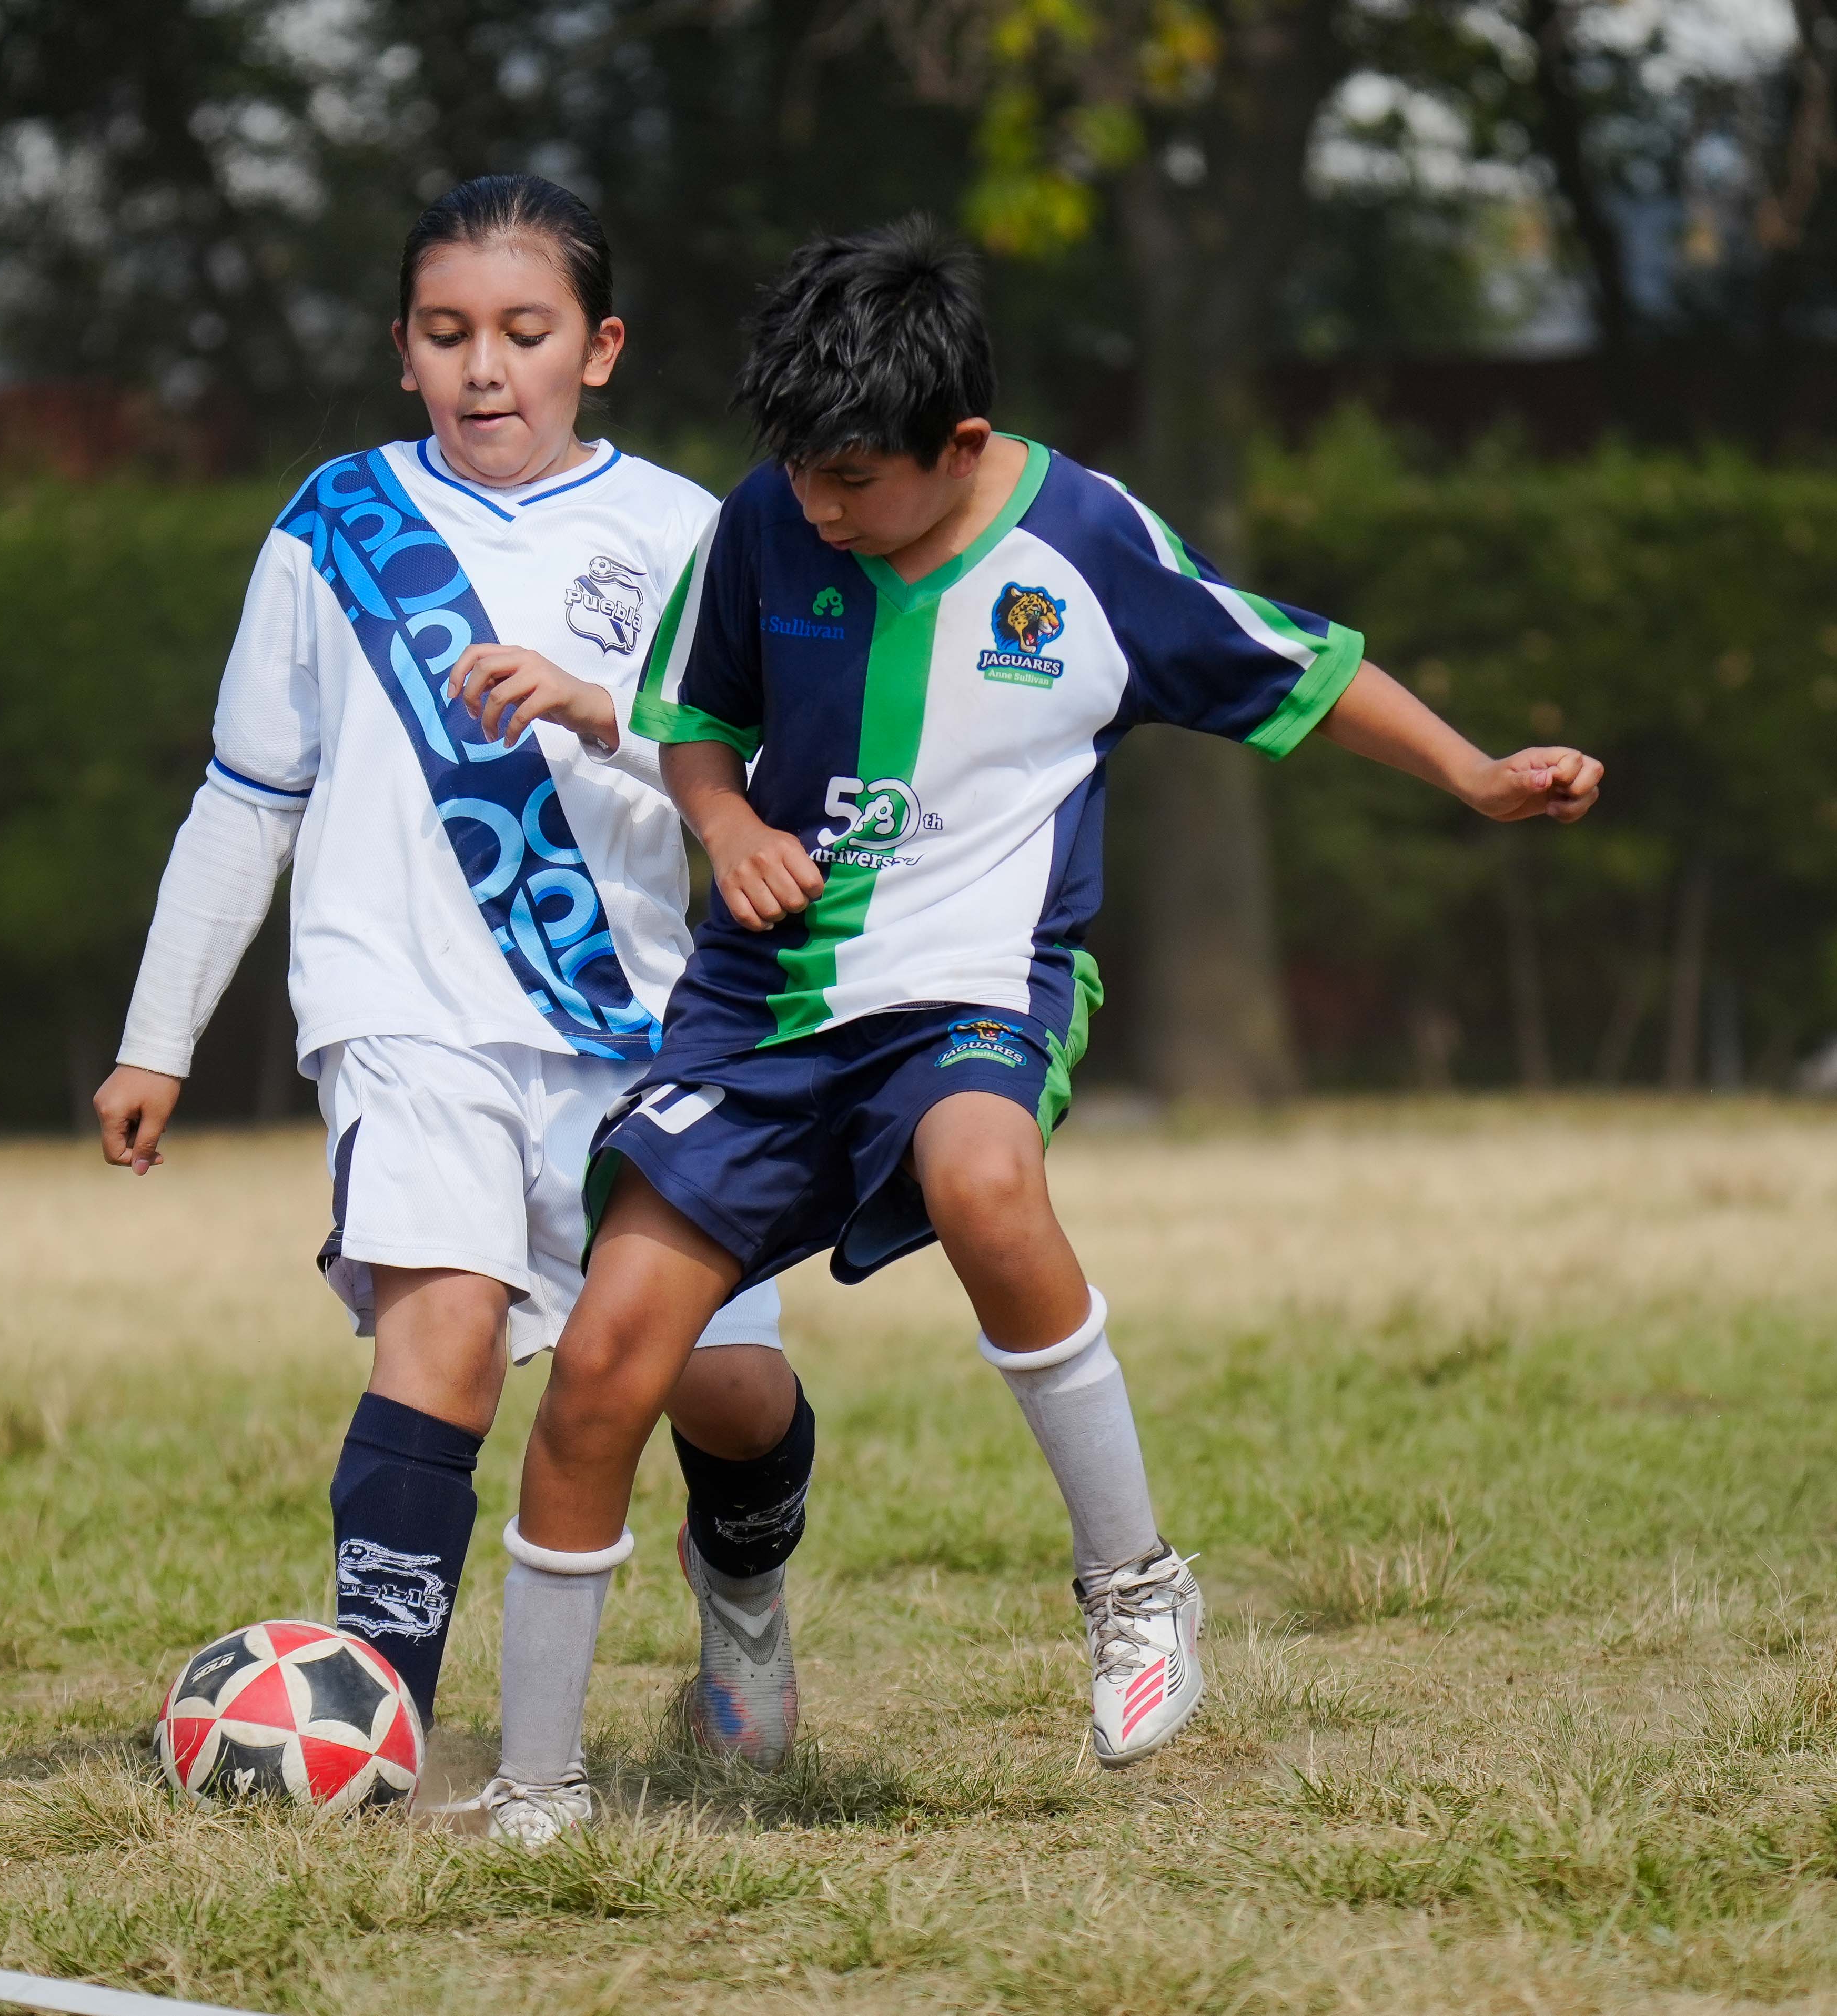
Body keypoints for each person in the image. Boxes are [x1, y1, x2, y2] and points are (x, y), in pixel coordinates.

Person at [476, 219, 1604, 1841]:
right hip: (762, 1006)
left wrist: (1481, 772)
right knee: (600, 1371)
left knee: (985, 1178)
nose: (819, 507)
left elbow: (1303, 666)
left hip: (982, 983)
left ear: (965, 448)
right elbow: (692, 731)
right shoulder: (760, 525)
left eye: (855, 478)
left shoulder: (1083, 542)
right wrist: (722, 830)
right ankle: (536, 1786)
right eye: (798, 470)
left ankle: (1138, 1588)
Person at [92, 176, 819, 1795]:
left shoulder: (692, 532)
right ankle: (382, 1736)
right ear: (405, 351)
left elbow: (774, 770)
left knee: (721, 1384)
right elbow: (246, 794)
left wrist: (598, 704)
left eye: (524, 331)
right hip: (402, 1013)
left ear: (600, 348)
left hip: (639, 1029)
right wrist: (160, 1039)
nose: (484, 366)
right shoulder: (332, 523)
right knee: (444, 1345)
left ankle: (746, 1587)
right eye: (447, 333)